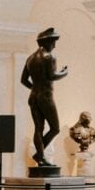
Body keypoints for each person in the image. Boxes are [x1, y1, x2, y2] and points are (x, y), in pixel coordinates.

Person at [20, 28, 68, 166]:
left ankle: (40, 157)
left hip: (34, 96)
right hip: (45, 97)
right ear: (47, 42)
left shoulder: (30, 59)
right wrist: (65, 72)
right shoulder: (49, 57)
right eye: (53, 41)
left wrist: (35, 89)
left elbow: (23, 80)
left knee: (38, 128)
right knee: (55, 128)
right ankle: (39, 155)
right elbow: (52, 76)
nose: (54, 45)